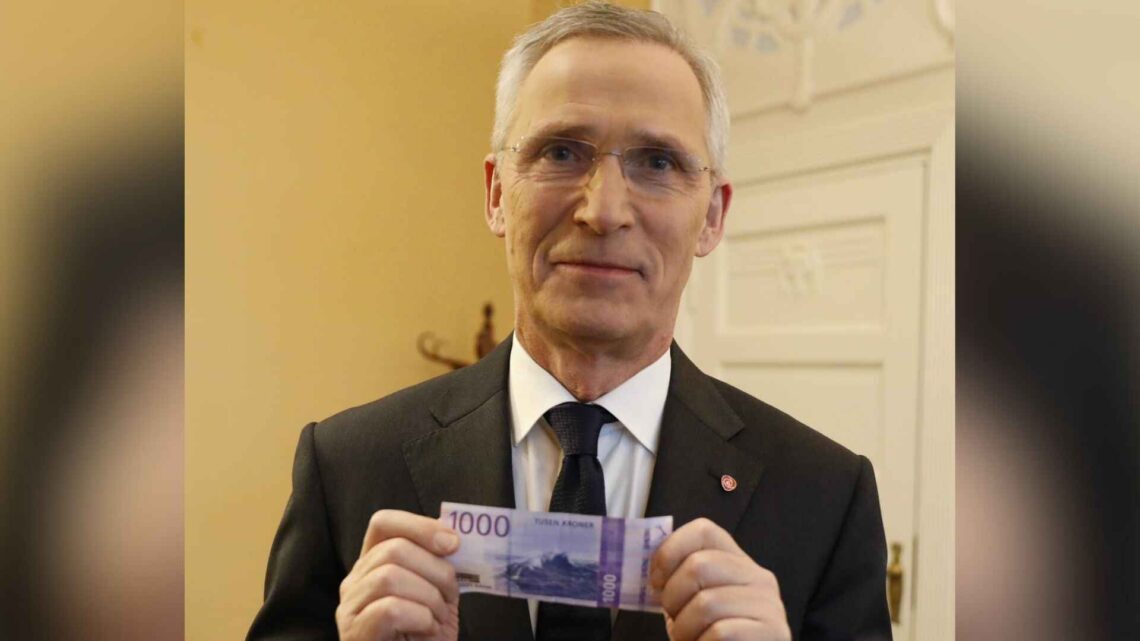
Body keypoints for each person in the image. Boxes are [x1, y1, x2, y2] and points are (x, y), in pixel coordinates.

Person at [247, 3, 891, 641]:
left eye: (658, 162)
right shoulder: (348, 465)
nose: (603, 211)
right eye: (561, 152)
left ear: (713, 217)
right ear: (497, 194)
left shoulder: (825, 495)